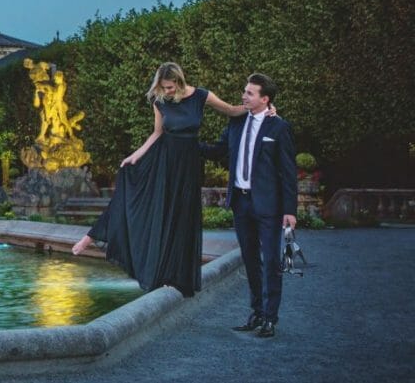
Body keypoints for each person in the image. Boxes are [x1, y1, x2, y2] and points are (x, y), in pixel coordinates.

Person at [71, 62, 269, 297]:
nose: (167, 91)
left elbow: (232, 110)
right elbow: (157, 133)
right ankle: (93, 237)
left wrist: (265, 110)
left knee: (184, 217)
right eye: (163, 87)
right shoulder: (160, 102)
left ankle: (178, 277)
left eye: (170, 86)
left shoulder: (201, 96)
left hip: (190, 164)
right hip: (164, 161)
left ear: (179, 81)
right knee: (147, 203)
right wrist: (136, 155)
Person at [201, 73, 297, 337]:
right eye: (244, 91)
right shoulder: (236, 122)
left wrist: (290, 210)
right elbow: (218, 150)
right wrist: (185, 143)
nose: (243, 96)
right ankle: (256, 312)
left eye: (249, 93)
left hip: (268, 205)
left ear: (264, 99)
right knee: (250, 260)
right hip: (241, 204)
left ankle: (270, 318)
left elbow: (288, 171)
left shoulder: (278, 127)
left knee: (271, 261)